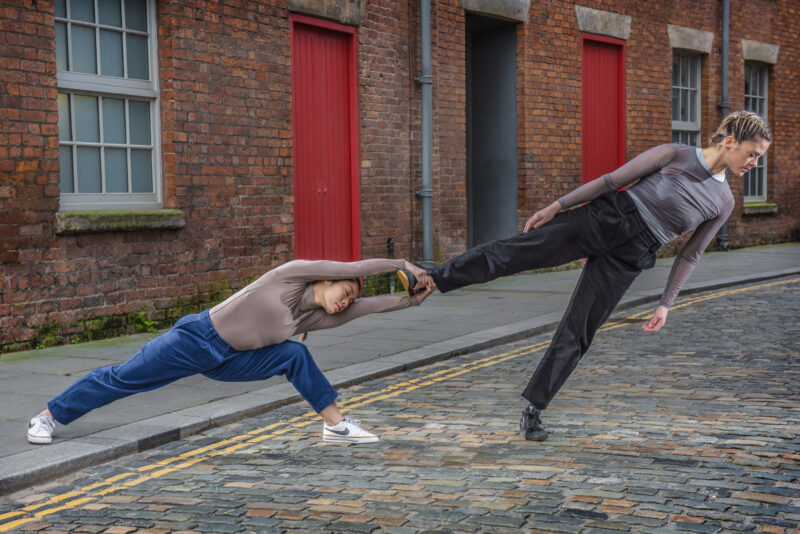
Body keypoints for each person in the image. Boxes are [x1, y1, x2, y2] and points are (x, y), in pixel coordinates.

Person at [426, 110, 772, 441]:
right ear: (729, 142)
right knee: (515, 253)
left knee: (579, 330)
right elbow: (611, 181)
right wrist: (557, 207)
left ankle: (534, 409)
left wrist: (666, 303)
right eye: (753, 154)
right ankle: (435, 279)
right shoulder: (675, 154)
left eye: (759, 158)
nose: (754, 164)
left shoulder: (723, 200)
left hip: (633, 254)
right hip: (607, 217)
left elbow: (690, 254)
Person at [27, 258, 432, 445]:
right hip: (195, 340)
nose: (345, 301)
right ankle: (49, 416)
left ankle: (336, 425)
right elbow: (355, 268)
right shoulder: (288, 276)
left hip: (231, 362)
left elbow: (370, 307)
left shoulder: (312, 320)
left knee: (295, 355)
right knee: (124, 379)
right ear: (328, 280)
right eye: (344, 292)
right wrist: (401, 264)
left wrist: (412, 301)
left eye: (348, 300)